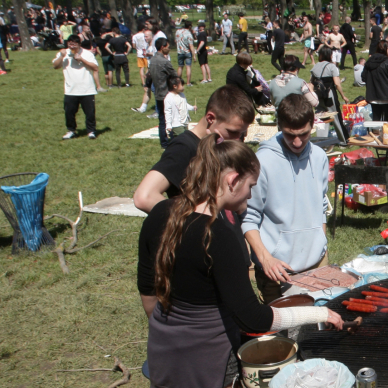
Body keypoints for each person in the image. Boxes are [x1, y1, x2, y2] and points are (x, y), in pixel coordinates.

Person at [138, 134, 344, 388]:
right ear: (231, 180)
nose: (251, 195)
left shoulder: (161, 214)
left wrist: (168, 332)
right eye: (250, 186)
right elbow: (254, 319)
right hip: (208, 351)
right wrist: (314, 313)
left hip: (166, 341)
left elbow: (148, 291)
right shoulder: (218, 236)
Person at [243, 94, 333, 303]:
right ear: (279, 126)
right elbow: (248, 216)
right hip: (277, 268)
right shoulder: (262, 162)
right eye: (290, 135)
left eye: (304, 134)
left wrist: (321, 242)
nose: (297, 142)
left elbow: (320, 203)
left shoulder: (319, 156)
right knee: (282, 323)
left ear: (312, 125)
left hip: (317, 261)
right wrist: (266, 258)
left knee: (321, 319)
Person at [134, 85, 255, 213]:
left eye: (242, 134)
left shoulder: (219, 146)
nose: (238, 140)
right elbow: (144, 197)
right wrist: (191, 219)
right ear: (211, 118)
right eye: (232, 132)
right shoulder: (183, 148)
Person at [53, 35, 98, 140]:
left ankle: (91, 131)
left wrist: (81, 59)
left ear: (79, 44)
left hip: (87, 88)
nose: (72, 46)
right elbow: (55, 66)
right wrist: (61, 56)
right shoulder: (63, 53)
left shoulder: (87, 53)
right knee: (69, 112)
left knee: (90, 113)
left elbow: (95, 67)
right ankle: (71, 131)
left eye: (74, 44)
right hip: (70, 89)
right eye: (70, 44)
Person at [149, 37, 177, 148]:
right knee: (172, 118)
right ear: (162, 47)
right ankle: (173, 140)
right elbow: (175, 75)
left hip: (158, 93)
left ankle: (164, 142)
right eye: (167, 47)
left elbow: (149, 76)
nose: (169, 49)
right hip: (167, 93)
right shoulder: (165, 62)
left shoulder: (152, 60)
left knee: (162, 119)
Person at [362, 40, 388, 121]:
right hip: (387, 96)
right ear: (387, 49)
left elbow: (363, 77)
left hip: (373, 96)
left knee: (376, 120)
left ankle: (376, 129)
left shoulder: (369, 62)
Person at [310, 46, 348, 119]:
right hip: (329, 94)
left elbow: (311, 83)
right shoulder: (332, 66)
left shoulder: (315, 66)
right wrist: (343, 96)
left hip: (318, 94)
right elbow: (337, 84)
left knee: (321, 117)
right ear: (329, 55)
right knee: (335, 116)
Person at [175, 20, 195, 86]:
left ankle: (178, 82)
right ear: (189, 26)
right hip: (187, 52)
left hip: (180, 52)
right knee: (188, 67)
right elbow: (191, 45)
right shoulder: (189, 34)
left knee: (180, 67)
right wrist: (194, 55)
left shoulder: (178, 31)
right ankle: (188, 82)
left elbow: (176, 40)